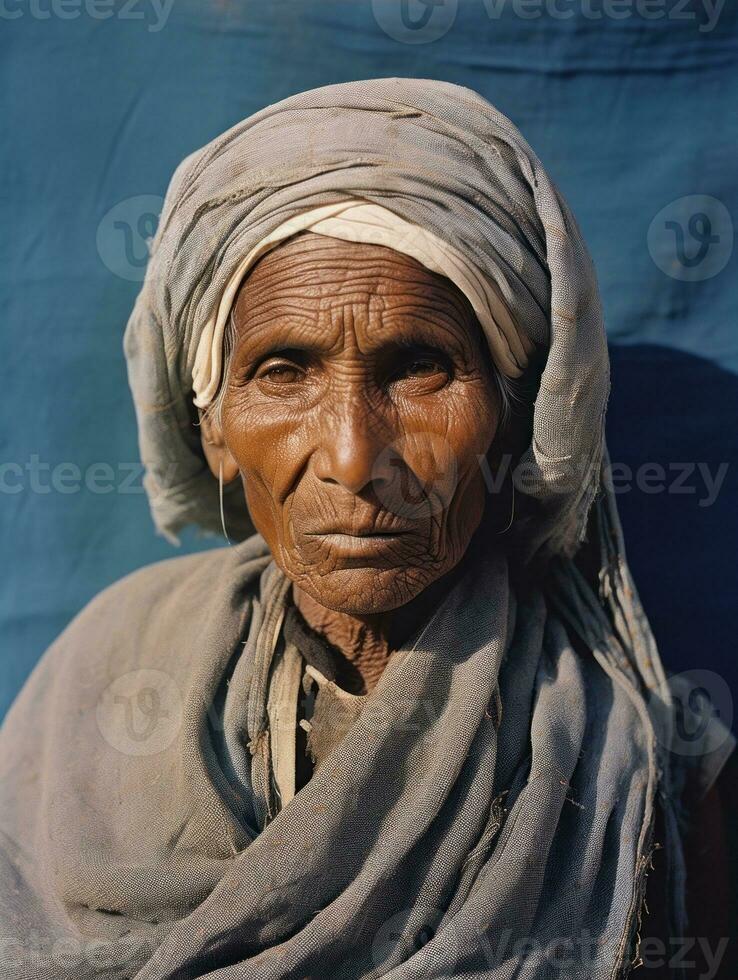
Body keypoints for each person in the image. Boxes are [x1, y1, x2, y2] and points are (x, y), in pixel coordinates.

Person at [0, 78, 733, 980]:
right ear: (213, 433)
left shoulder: (640, 762)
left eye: (420, 366)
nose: (355, 457)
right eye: (282, 371)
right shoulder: (96, 678)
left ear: (515, 412)